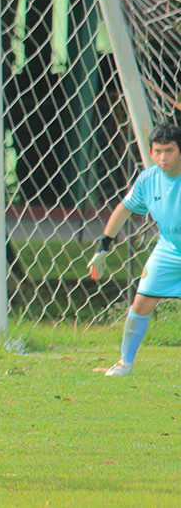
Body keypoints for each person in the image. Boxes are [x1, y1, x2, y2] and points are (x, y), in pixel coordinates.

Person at [88, 123, 181, 377]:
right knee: (140, 305)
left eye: (170, 150)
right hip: (168, 249)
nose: (163, 157)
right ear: (150, 152)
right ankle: (125, 363)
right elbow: (123, 209)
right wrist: (103, 245)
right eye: (158, 151)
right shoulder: (148, 180)